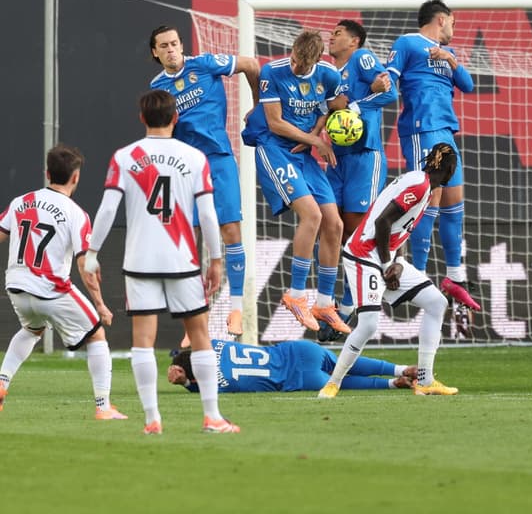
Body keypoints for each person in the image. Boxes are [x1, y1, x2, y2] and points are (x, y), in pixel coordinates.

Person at [84, 90, 239, 434]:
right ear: (175, 118)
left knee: (143, 340)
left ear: (141, 117)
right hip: (182, 259)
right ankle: (212, 416)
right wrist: (216, 259)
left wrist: (92, 254)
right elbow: (209, 216)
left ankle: (152, 419)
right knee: (199, 336)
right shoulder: (195, 157)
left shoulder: (125, 157)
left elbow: (108, 209)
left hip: (139, 259)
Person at [318, 143, 460, 398]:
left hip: (385, 256)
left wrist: (397, 261)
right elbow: (383, 221)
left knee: (437, 303)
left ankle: (425, 381)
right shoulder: (419, 186)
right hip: (364, 255)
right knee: (369, 324)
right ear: (449, 169)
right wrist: (386, 265)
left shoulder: (422, 185)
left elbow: (396, 227)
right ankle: (333, 383)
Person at [0, 144, 126, 420]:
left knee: (32, 329)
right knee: (96, 334)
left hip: (17, 286)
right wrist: (101, 304)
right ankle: (103, 407)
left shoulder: (20, 201)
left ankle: (2, 382)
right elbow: (85, 265)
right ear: (76, 177)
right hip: (50, 289)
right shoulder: (76, 214)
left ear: (47, 173)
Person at [150, 25, 260, 339]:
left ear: (181, 45)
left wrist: (257, 107)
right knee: (191, 240)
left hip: (219, 159)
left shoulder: (205, 64)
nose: (171, 49)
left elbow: (251, 65)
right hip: (185, 168)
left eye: (174, 43)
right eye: (164, 46)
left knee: (230, 231)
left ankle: (236, 308)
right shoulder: (158, 87)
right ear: (155, 53)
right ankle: (198, 317)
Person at [242, 29, 349, 335]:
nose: (296, 68)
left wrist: (317, 131)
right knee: (312, 215)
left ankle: (325, 302)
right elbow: (275, 122)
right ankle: (296, 294)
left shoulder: (328, 74)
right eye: (293, 60)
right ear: (291, 51)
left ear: (316, 61)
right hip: (275, 148)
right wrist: (315, 140)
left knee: (335, 223)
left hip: (304, 150)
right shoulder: (273, 72)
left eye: (303, 65)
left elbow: (331, 108)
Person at [385, 0, 480, 314]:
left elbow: (468, 85)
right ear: (442, 19)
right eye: (453, 22)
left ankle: (454, 275)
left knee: (454, 201)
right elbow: (390, 82)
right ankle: (418, 274)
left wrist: (450, 60)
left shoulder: (449, 54)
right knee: (429, 199)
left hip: (446, 132)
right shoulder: (408, 43)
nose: (454, 29)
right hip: (421, 129)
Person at [326, 19, 398, 321]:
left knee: (356, 228)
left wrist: (353, 107)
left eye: (338, 33)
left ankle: (349, 304)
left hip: (365, 155)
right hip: (336, 158)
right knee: (332, 227)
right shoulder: (328, 74)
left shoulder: (361, 58)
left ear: (354, 41)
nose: (331, 38)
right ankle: (328, 302)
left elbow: (389, 93)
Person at [168, 339, 416, 392]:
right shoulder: (214, 343)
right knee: (344, 363)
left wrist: (187, 383)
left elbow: (199, 387)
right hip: (300, 351)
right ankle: (398, 369)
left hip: (299, 379)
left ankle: (392, 384)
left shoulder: (219, 384)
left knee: (340, 382)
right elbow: (195, 343)